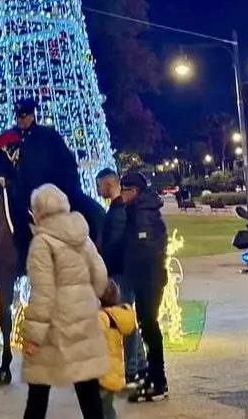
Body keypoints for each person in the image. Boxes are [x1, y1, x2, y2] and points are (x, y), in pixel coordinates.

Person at [21, 184, 110, 419]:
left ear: (38, 212)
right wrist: (86, 299)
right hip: (83, 322)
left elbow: (43, 293)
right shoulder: (82, 237)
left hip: (54, 328)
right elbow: (100, 276)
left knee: (38, 394)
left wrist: (33, 337)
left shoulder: (42, 243)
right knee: (89, 393)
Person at [0, 98, 100, 266]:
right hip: (19, 195)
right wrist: (0, 176)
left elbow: (66, 164)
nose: (21, 120)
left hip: (50, 194)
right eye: (19, 116)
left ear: (32, 116)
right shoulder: (8, 139)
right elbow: (0, 163)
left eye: (24, 116)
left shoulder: (49, 136)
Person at [95, 169, 145, 390]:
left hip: (119, 273)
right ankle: (139, 366)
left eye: (99, 185)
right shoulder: (119, 210)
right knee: (128, 319)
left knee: (124, 322)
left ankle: (133, 370)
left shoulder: (117, 212)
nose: (97, 190)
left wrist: (101, 260)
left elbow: (114, 245)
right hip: (125, 271)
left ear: (108, 184)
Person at [120, 170, 168, 399]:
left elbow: (147, 248)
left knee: (149, 325)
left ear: (135, 191)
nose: (121, 194)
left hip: (149, 278)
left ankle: (158, 380)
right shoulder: (137, 210)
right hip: (146, 277)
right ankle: (154, 375)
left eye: (125, 190)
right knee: (146, 324)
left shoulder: (142, 213)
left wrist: (130, 261)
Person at [97, 279, 137, 419]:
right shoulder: (121, 316)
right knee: (108, 407)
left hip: (103, 373)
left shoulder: (102, 317)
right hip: (115, 372)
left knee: (102, 409)